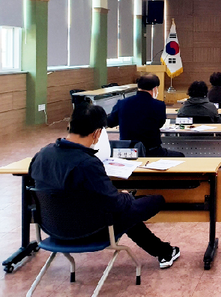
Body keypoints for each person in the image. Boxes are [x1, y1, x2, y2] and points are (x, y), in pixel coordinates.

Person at [29, 104, 180, 269]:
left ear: (70, 126)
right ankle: (163, 251)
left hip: (53, 229)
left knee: (123, 211)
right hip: (90, 230)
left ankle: (164, 251)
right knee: (154, 201)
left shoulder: (41, 155)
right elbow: (114, 204)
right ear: (97, 133)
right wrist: (125, 195)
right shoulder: (87, 164)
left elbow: (33, 191)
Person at [107, 74, 184, 157]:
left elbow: (110, 123)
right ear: (155, 89)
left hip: (127, 151)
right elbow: (160, 123)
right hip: (151, 151)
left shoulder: (122, 103)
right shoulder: (159, 105)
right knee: (180, 155)